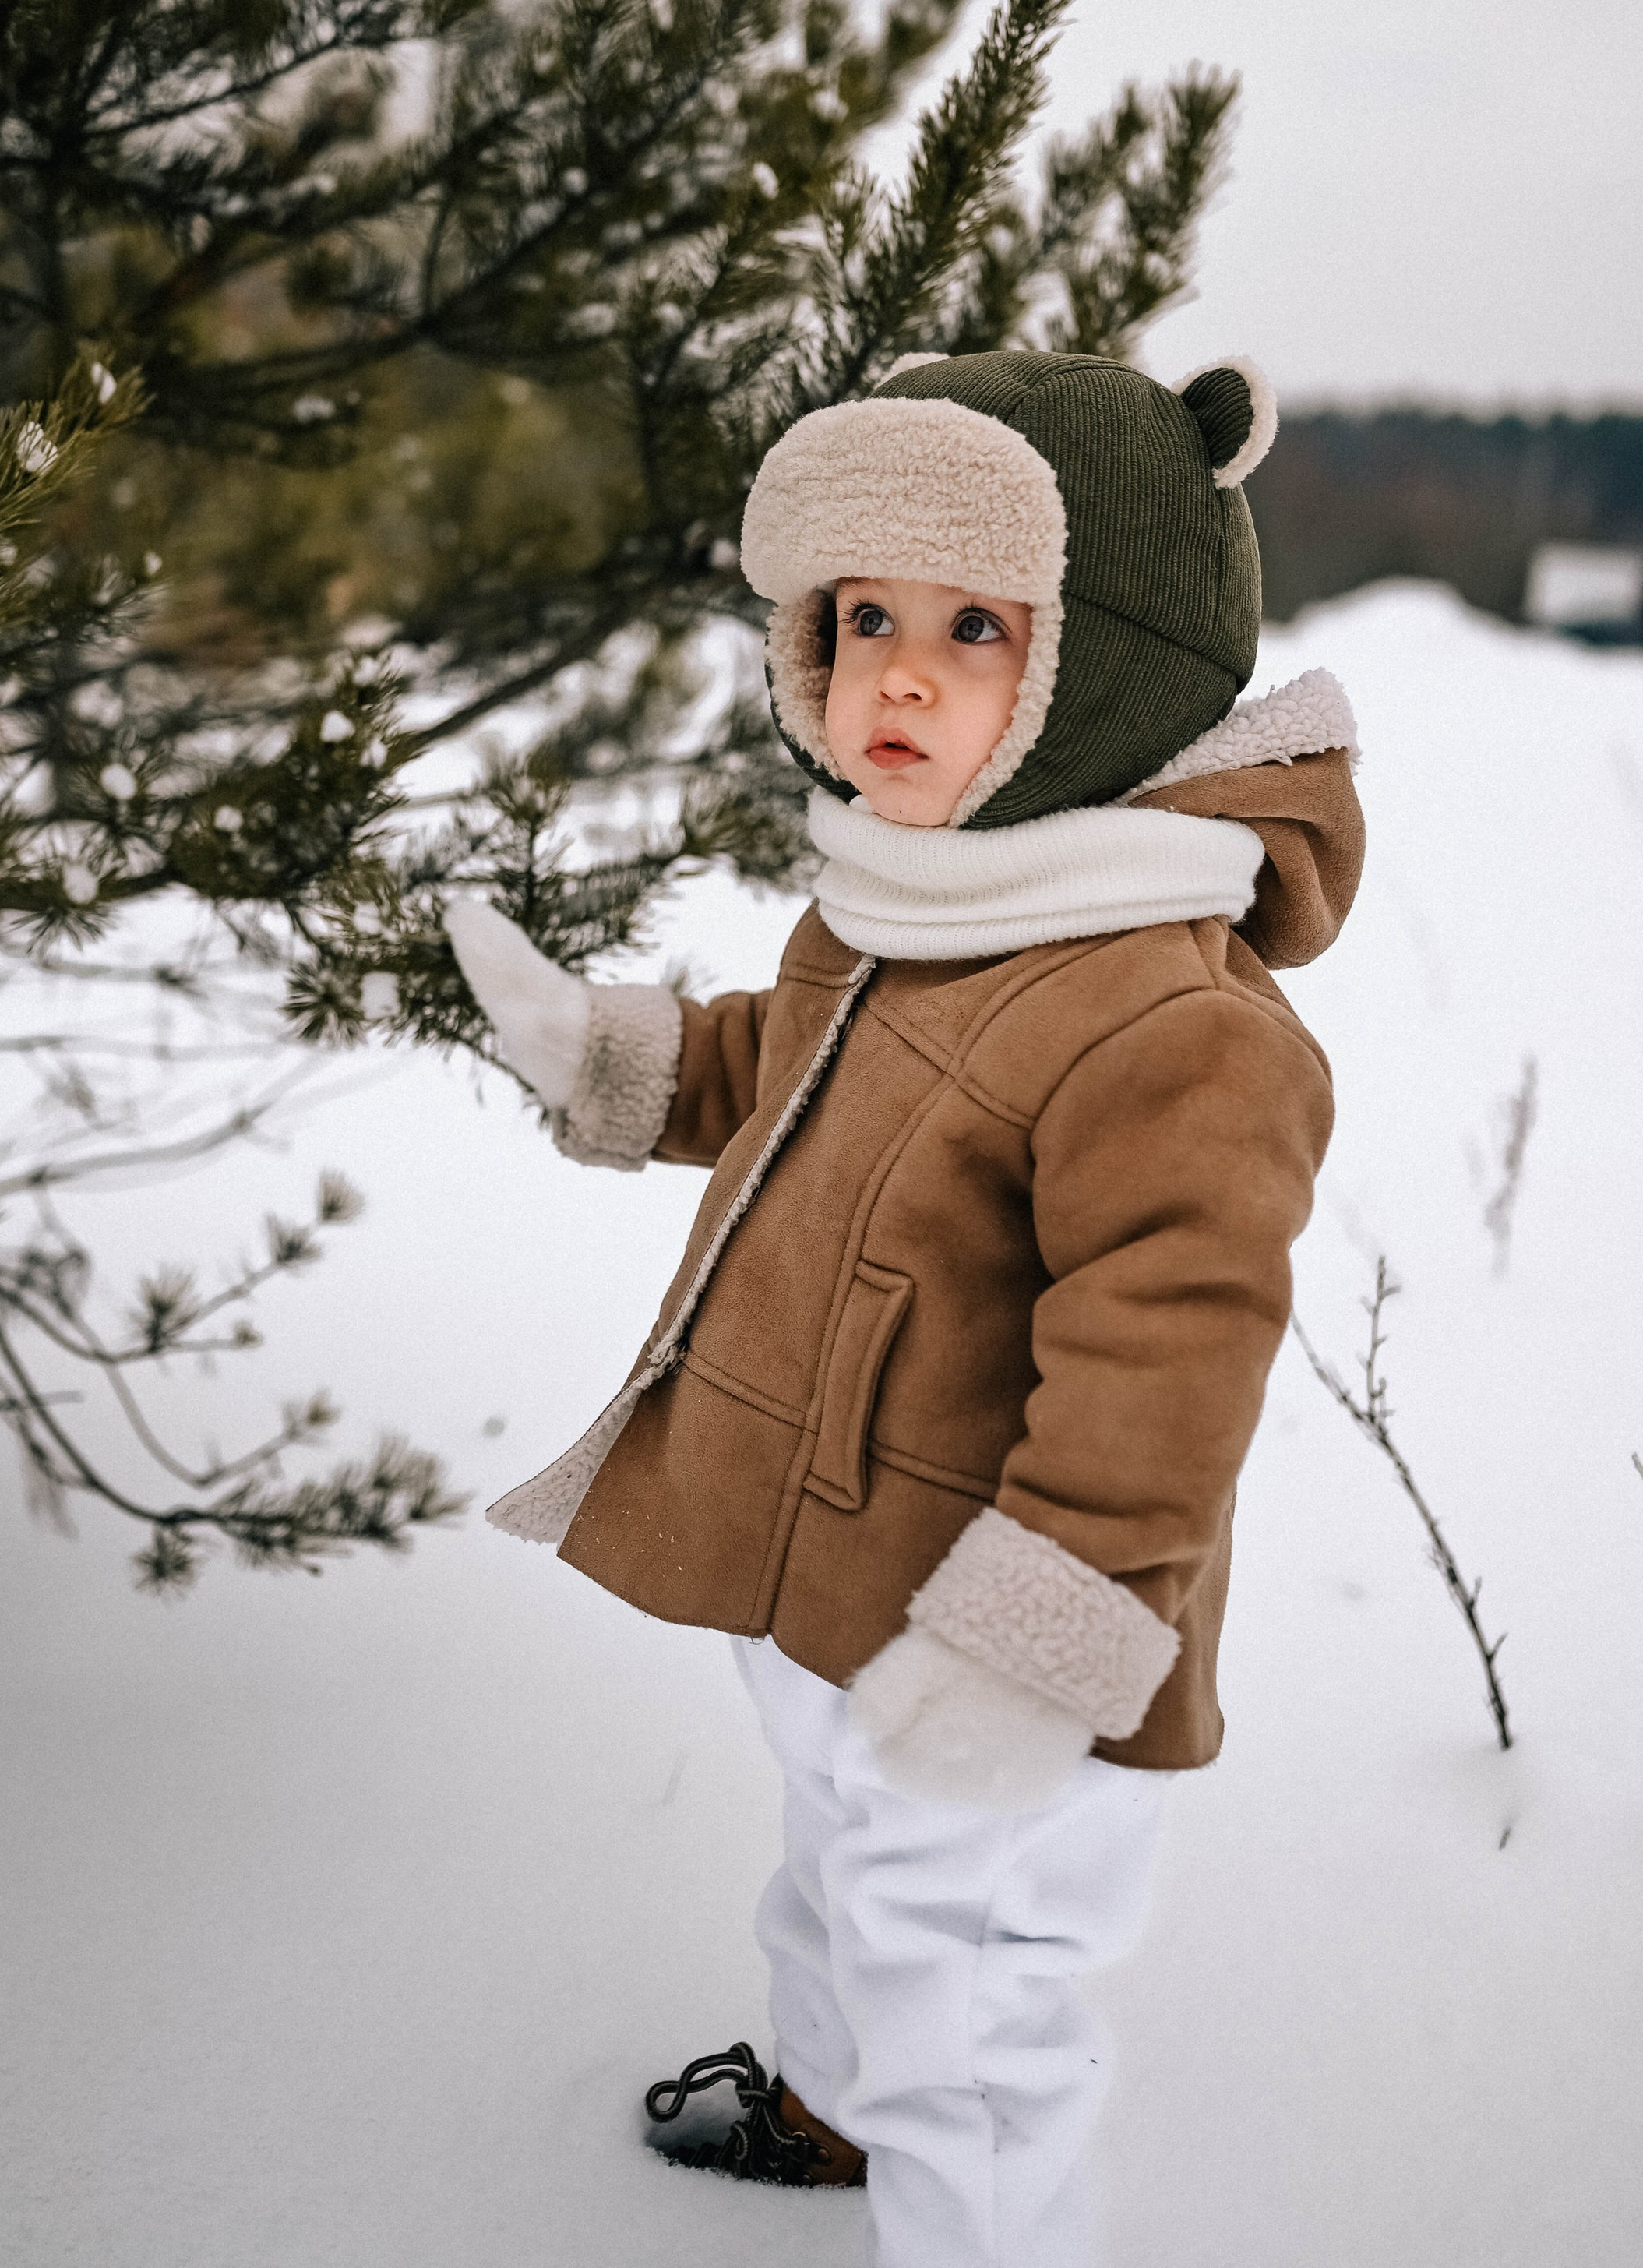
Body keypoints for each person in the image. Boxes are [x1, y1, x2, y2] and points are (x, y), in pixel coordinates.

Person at [446, 349, 1363, 2268]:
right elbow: (780, 1074)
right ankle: (824, 2104)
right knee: (840, 1881)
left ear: (1109, 652)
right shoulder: (908, 901)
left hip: (996, 1644)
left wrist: (1036, 1654)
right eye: (862, 617)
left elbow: (1169, 1357)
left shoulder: (1167, 1012)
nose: (897, 675)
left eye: (973, 625)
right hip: (833, 1581)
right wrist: (602, 1056)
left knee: (976, 2011)